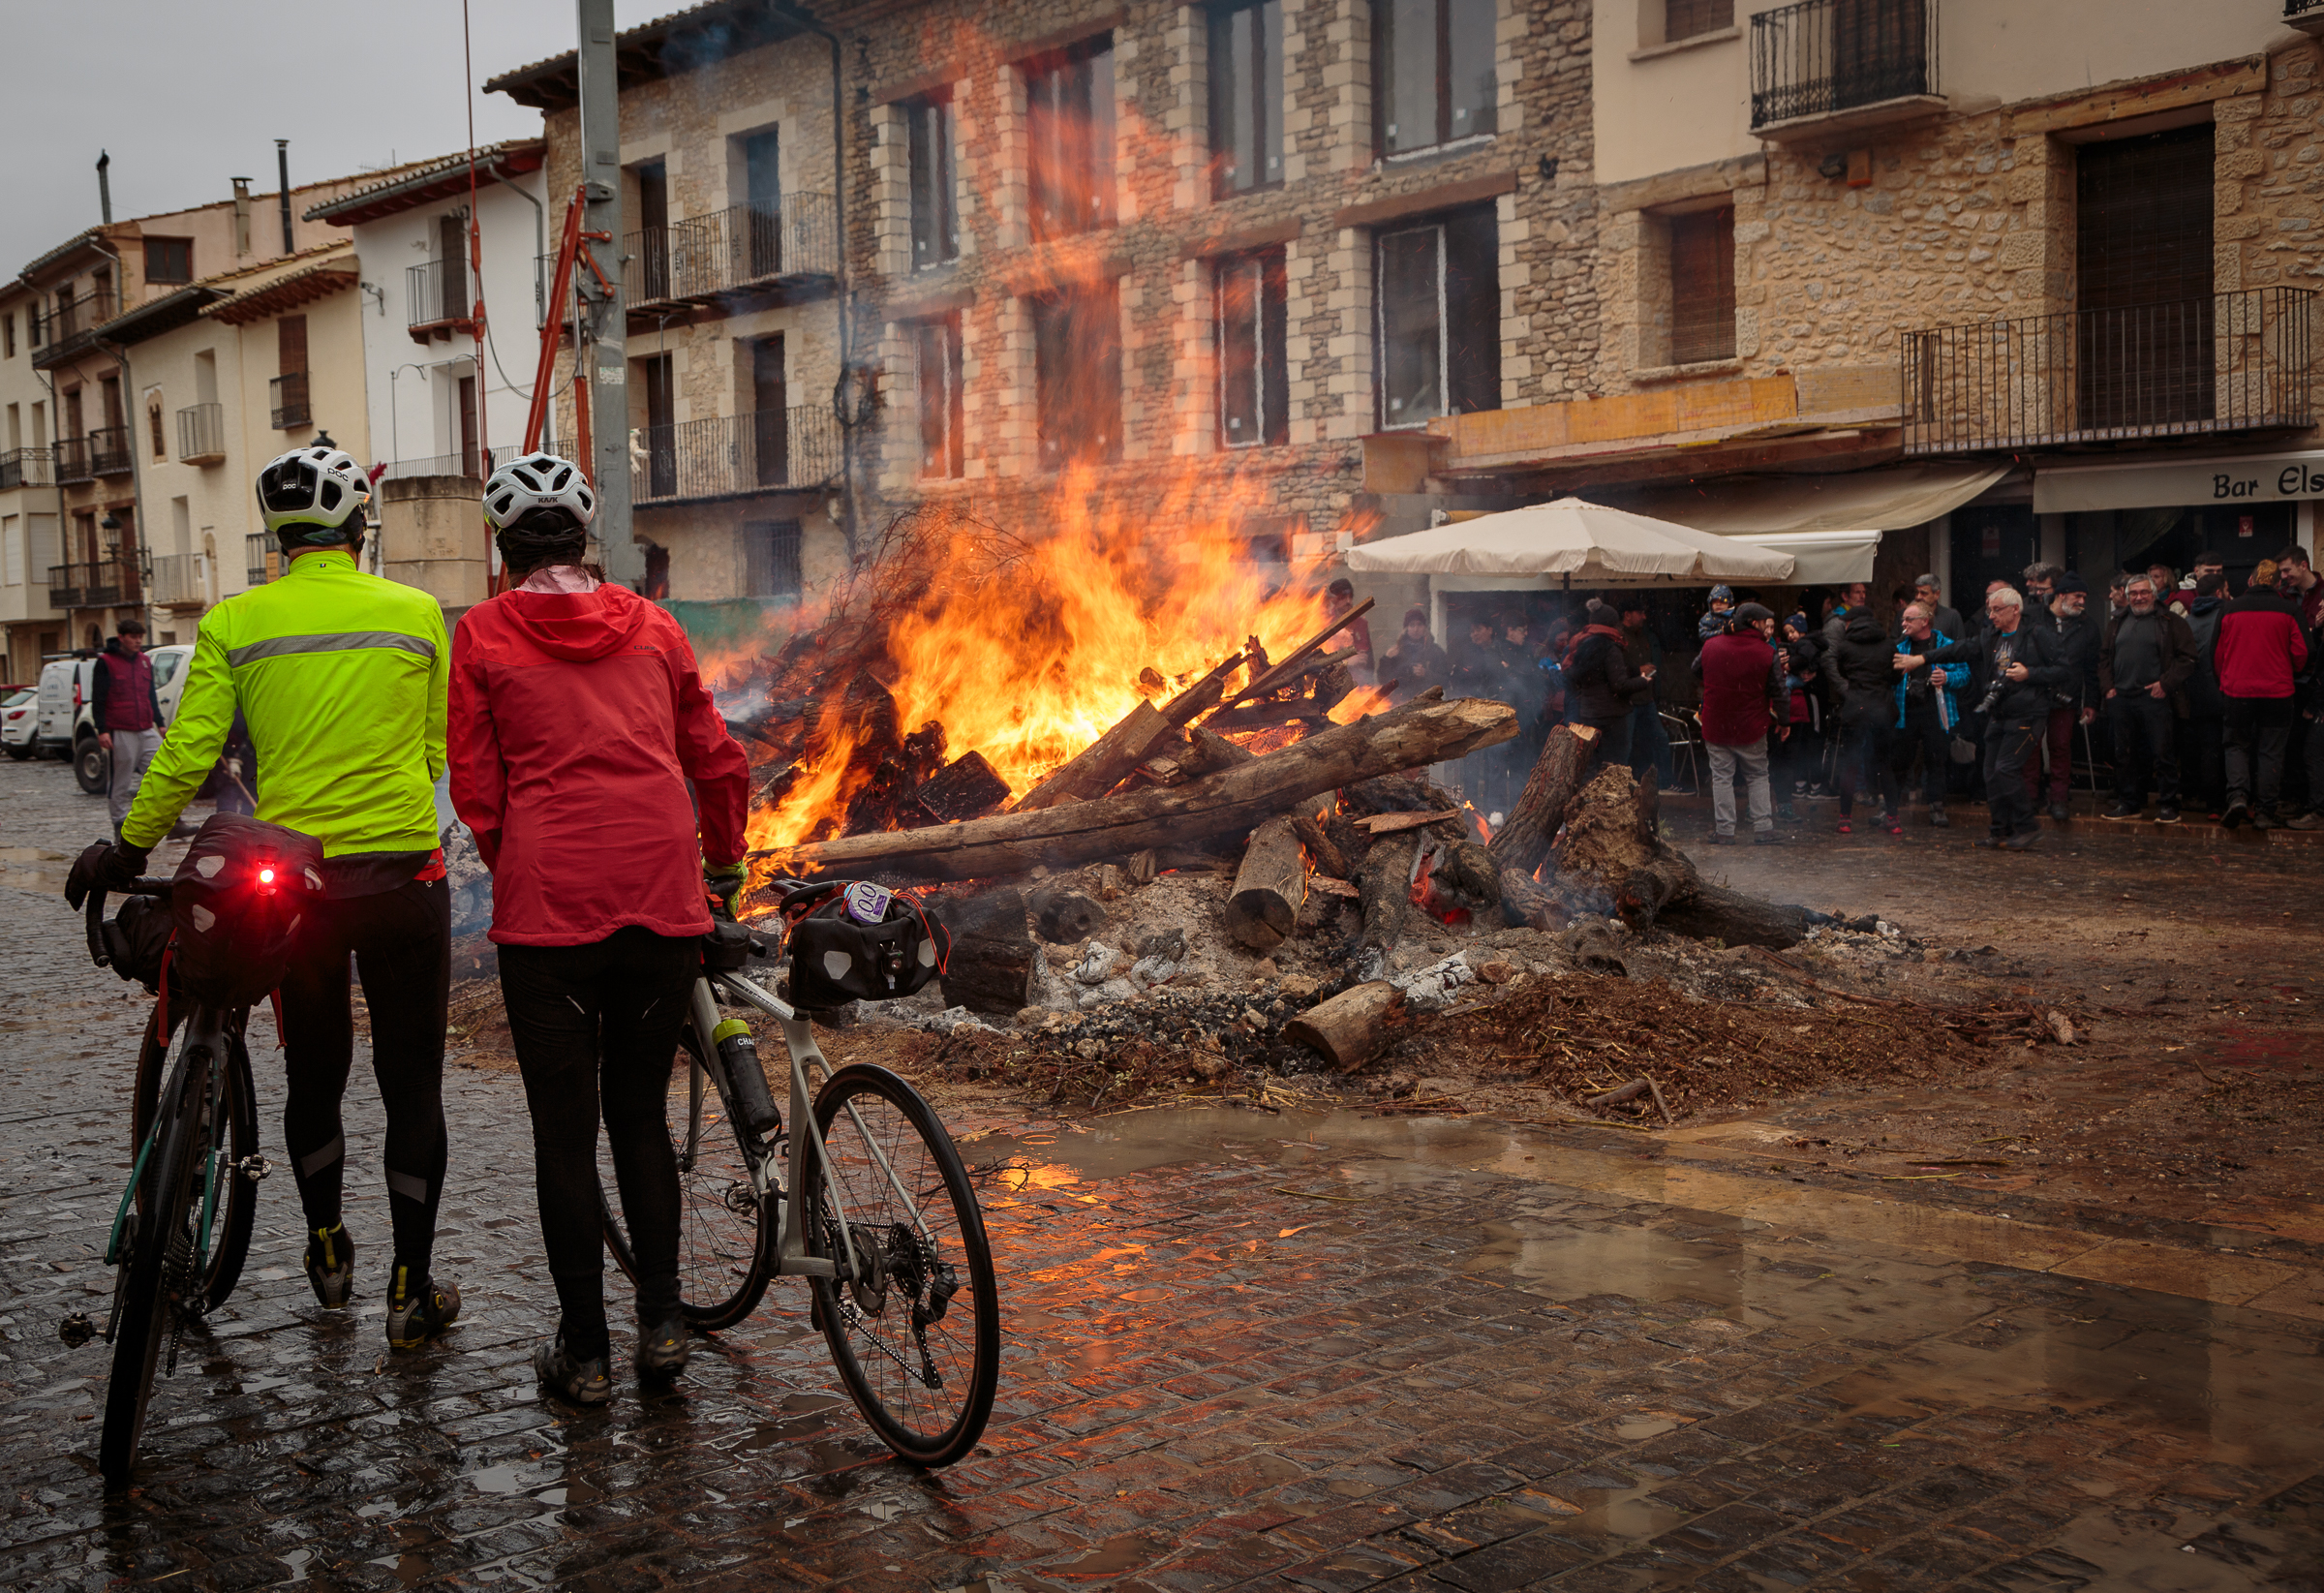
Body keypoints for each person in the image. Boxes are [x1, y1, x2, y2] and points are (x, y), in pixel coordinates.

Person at [84, 446, 460, 1350]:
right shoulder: (417, 613)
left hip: (300, 886)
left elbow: (189, 753)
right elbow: (434, 751)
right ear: (357, 527)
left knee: (315, 1076)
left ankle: (327, 1248)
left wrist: (127, 846)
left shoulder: (234, 622)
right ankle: (410, 1290)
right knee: (412, 1086)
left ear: (278, 538)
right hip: (405, 877)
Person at [449, 452, 751, 1404]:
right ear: (585, 537)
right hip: (661, 898)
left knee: (565, 1134)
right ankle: (662, 1326)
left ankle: (584, 1354)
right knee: (639, 1117)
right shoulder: (655, 625)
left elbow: (477, 787)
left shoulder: (482, 633)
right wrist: (724, 865)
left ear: (503, 550)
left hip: (550, 915)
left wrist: (522, 865)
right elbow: (717, 758)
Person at [1897, 586, 2070, 849]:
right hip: (1998, 711)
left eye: (1997, 610)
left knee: (2006, 768)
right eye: (1990, 610)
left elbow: (2064, 670)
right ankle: (1999, 830)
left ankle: (2028, 827)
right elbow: (1959, 649)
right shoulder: (1991, 635)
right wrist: (1922, 659)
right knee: (1990, 773)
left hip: (2027, 713)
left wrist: (2030, 674)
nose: (1991, 616)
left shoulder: (2036, 633)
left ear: (2015, 609)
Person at [2212, 559, 2309, 829]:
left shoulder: (2230, 608)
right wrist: (2289, 671)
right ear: (2278, 583)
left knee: (2236, 745)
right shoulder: (2290, 610)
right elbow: (2302, 653)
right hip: (2278, 691)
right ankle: (2266, 810)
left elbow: (2217, 653)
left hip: (2237, 689)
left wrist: (2226, 681)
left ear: (2251, 581)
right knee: (2271, 751)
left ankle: (2238, 797)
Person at [2097, 575, 2197, 824]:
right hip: (2121, 697)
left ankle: (2168, 806)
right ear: (2127, 595)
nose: (2139, 597)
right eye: (2133, 593)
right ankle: (2129, 804)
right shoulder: (2117, 622)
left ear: (2153, 594)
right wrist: (2108, 687)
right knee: (2124, 755)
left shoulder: (2170, 621)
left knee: (2162, 754)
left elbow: (2188, 658)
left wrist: (2165, 683)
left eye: (2144, 592)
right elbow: (2104, 657)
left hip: (2155, 697)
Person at [1692, 603, 1786, 844]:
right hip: (1752, 725)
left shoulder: (1711, 645)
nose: (1767, 628)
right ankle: (1763, 828)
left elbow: (1696, 669)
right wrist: (1784, 721)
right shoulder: (1766, 652)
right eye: (1765, 623)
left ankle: (1724, 831)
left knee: (1721, 777)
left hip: (1717, 724)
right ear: (1754, 623)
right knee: (1757, 775)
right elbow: (1779, 690)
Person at [1885, 602, 1969, 829]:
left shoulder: (1947, 646)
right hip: (1906, 712)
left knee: (1936, 762)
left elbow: (1965, 675)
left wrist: (1947, 678)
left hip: (1936, 711)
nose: (1903, 623)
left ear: (1925, 621)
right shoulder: (1899, 648)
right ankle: (1890, 810)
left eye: (1909, 619)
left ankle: (1937, 808)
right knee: (1899, 762)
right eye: (1903, 619)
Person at [2028, 572, 2101, 822]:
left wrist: (2091, 702)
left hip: (2066, 696)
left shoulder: (2087, 626)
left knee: (2060, 747)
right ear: (2061, 595)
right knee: (2030, 746)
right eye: (2077, 596)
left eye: (2084, 597)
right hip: (2034, 693)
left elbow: (2092, 668)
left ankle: (2059, 799)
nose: (2082, 601)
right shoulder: (2033, 617)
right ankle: (2030, 798)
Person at [91, 617, 165, 837]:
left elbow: (151, 695)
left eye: (140, 637)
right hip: (121, 729)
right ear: (121, 637)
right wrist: (102, 730)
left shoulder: (144, 661)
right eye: (133, 637)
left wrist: (160, 723)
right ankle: (119, 822)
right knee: (120, 780)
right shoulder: (106, 662)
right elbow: (98, 698)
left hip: (145, 727)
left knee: (161, 771)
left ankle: (168, 819)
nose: (138, 641)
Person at [1562, 598, 1654, 771]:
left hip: (1588, 716)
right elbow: (1619, 685)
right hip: (1612, 719)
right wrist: (1643, 681)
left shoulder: (1581, 645)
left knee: (1591, 765)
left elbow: (1579, 678)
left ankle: (1589, 788)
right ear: (1611, 623)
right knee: (1614, 768)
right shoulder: (1610, 647)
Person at [1827, 599, 1895, 835]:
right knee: (1885, 764)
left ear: (1852, 623)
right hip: (1882, 708)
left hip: (1856, 708)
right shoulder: (1889, 644)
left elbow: (1843, 672)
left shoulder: (1846, 647)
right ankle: (1893, 819)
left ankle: (1845, 819)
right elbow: (1894, 676)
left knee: (1850, 763)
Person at [2180, 571, 2232, 818]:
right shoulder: (2225, 616)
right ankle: (2216, 803)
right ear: (2219, 592)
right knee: (2217, 749)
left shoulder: (2188, 620)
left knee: (2196, 748)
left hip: (2191, 694)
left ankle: (2195, 796)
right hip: (2219, 692)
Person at [1619, 598, 1673, 788]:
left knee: (1660, 739)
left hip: (1646, 699)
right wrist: (1638, 670)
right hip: (1628, 701)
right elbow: (1615, 670)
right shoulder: (1618, 637)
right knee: (1626, 746)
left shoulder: (1643, 635)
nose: (1644, 616)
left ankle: (1665, 783)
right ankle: (1620, 786)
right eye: (1639, 613)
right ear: (1627, 615)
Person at [1381, 606, 1449, 700]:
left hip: (1428, 703)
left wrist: (1426, 674)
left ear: (1425, 627)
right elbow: (1383, 679)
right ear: (1406, 628)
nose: (1416, 629)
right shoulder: (1396, 651)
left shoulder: (1436, 651)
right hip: (1401, 703)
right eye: (1412, 625)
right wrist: (1386, 659)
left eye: (1419, 624)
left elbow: (1446, 681)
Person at [1320, 578, 1374, 686]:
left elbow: (1370, 659)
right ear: (1334, 600)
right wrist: (1348, 662)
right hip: (1337, 685)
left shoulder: (1361, 624)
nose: (1348, 601)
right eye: (1343, 598)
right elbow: (1324, 661)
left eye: (1350, 597)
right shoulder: (1326, 623)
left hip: (1361, 684)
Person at [1913, 574, 1966, 643]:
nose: (1918, 597)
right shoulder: (1906, 617)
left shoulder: (1951, 616)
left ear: (1937, 594)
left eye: (1924, 593)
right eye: (1916, 593)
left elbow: (1960, 646)